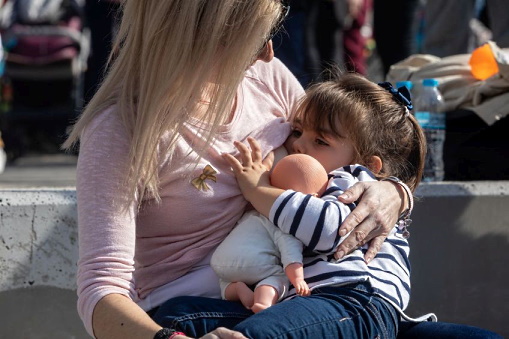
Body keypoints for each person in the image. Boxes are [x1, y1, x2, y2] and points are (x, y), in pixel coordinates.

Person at [62, 1, 422, 338]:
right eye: (254, 39)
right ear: (203, 36)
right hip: (197, 316)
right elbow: (100, 289)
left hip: (310, 298)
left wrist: (394, 192)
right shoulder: (120, 128)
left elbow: (347, 150)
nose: (268, 52)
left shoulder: (268, 77)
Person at [214, 72, 428, 338]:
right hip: (312, 302)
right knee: (182, 313)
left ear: (369, 164)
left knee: (259, 333)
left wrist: (257, 190)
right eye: (298, 131)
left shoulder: (354, 180)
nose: (297, 145)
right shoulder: (316, 186)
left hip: (356, 300)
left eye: (320, 141)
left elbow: (329, 230)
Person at [210, 153, 327, 313]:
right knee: (279, 276)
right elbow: (290, 252)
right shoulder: (285, 222)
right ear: (311, 199)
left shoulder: (254, 212)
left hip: (218, 260)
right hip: (254, 263)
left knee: (226, 278)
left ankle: (237, 289)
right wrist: (298, 279)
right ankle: (263, 303)